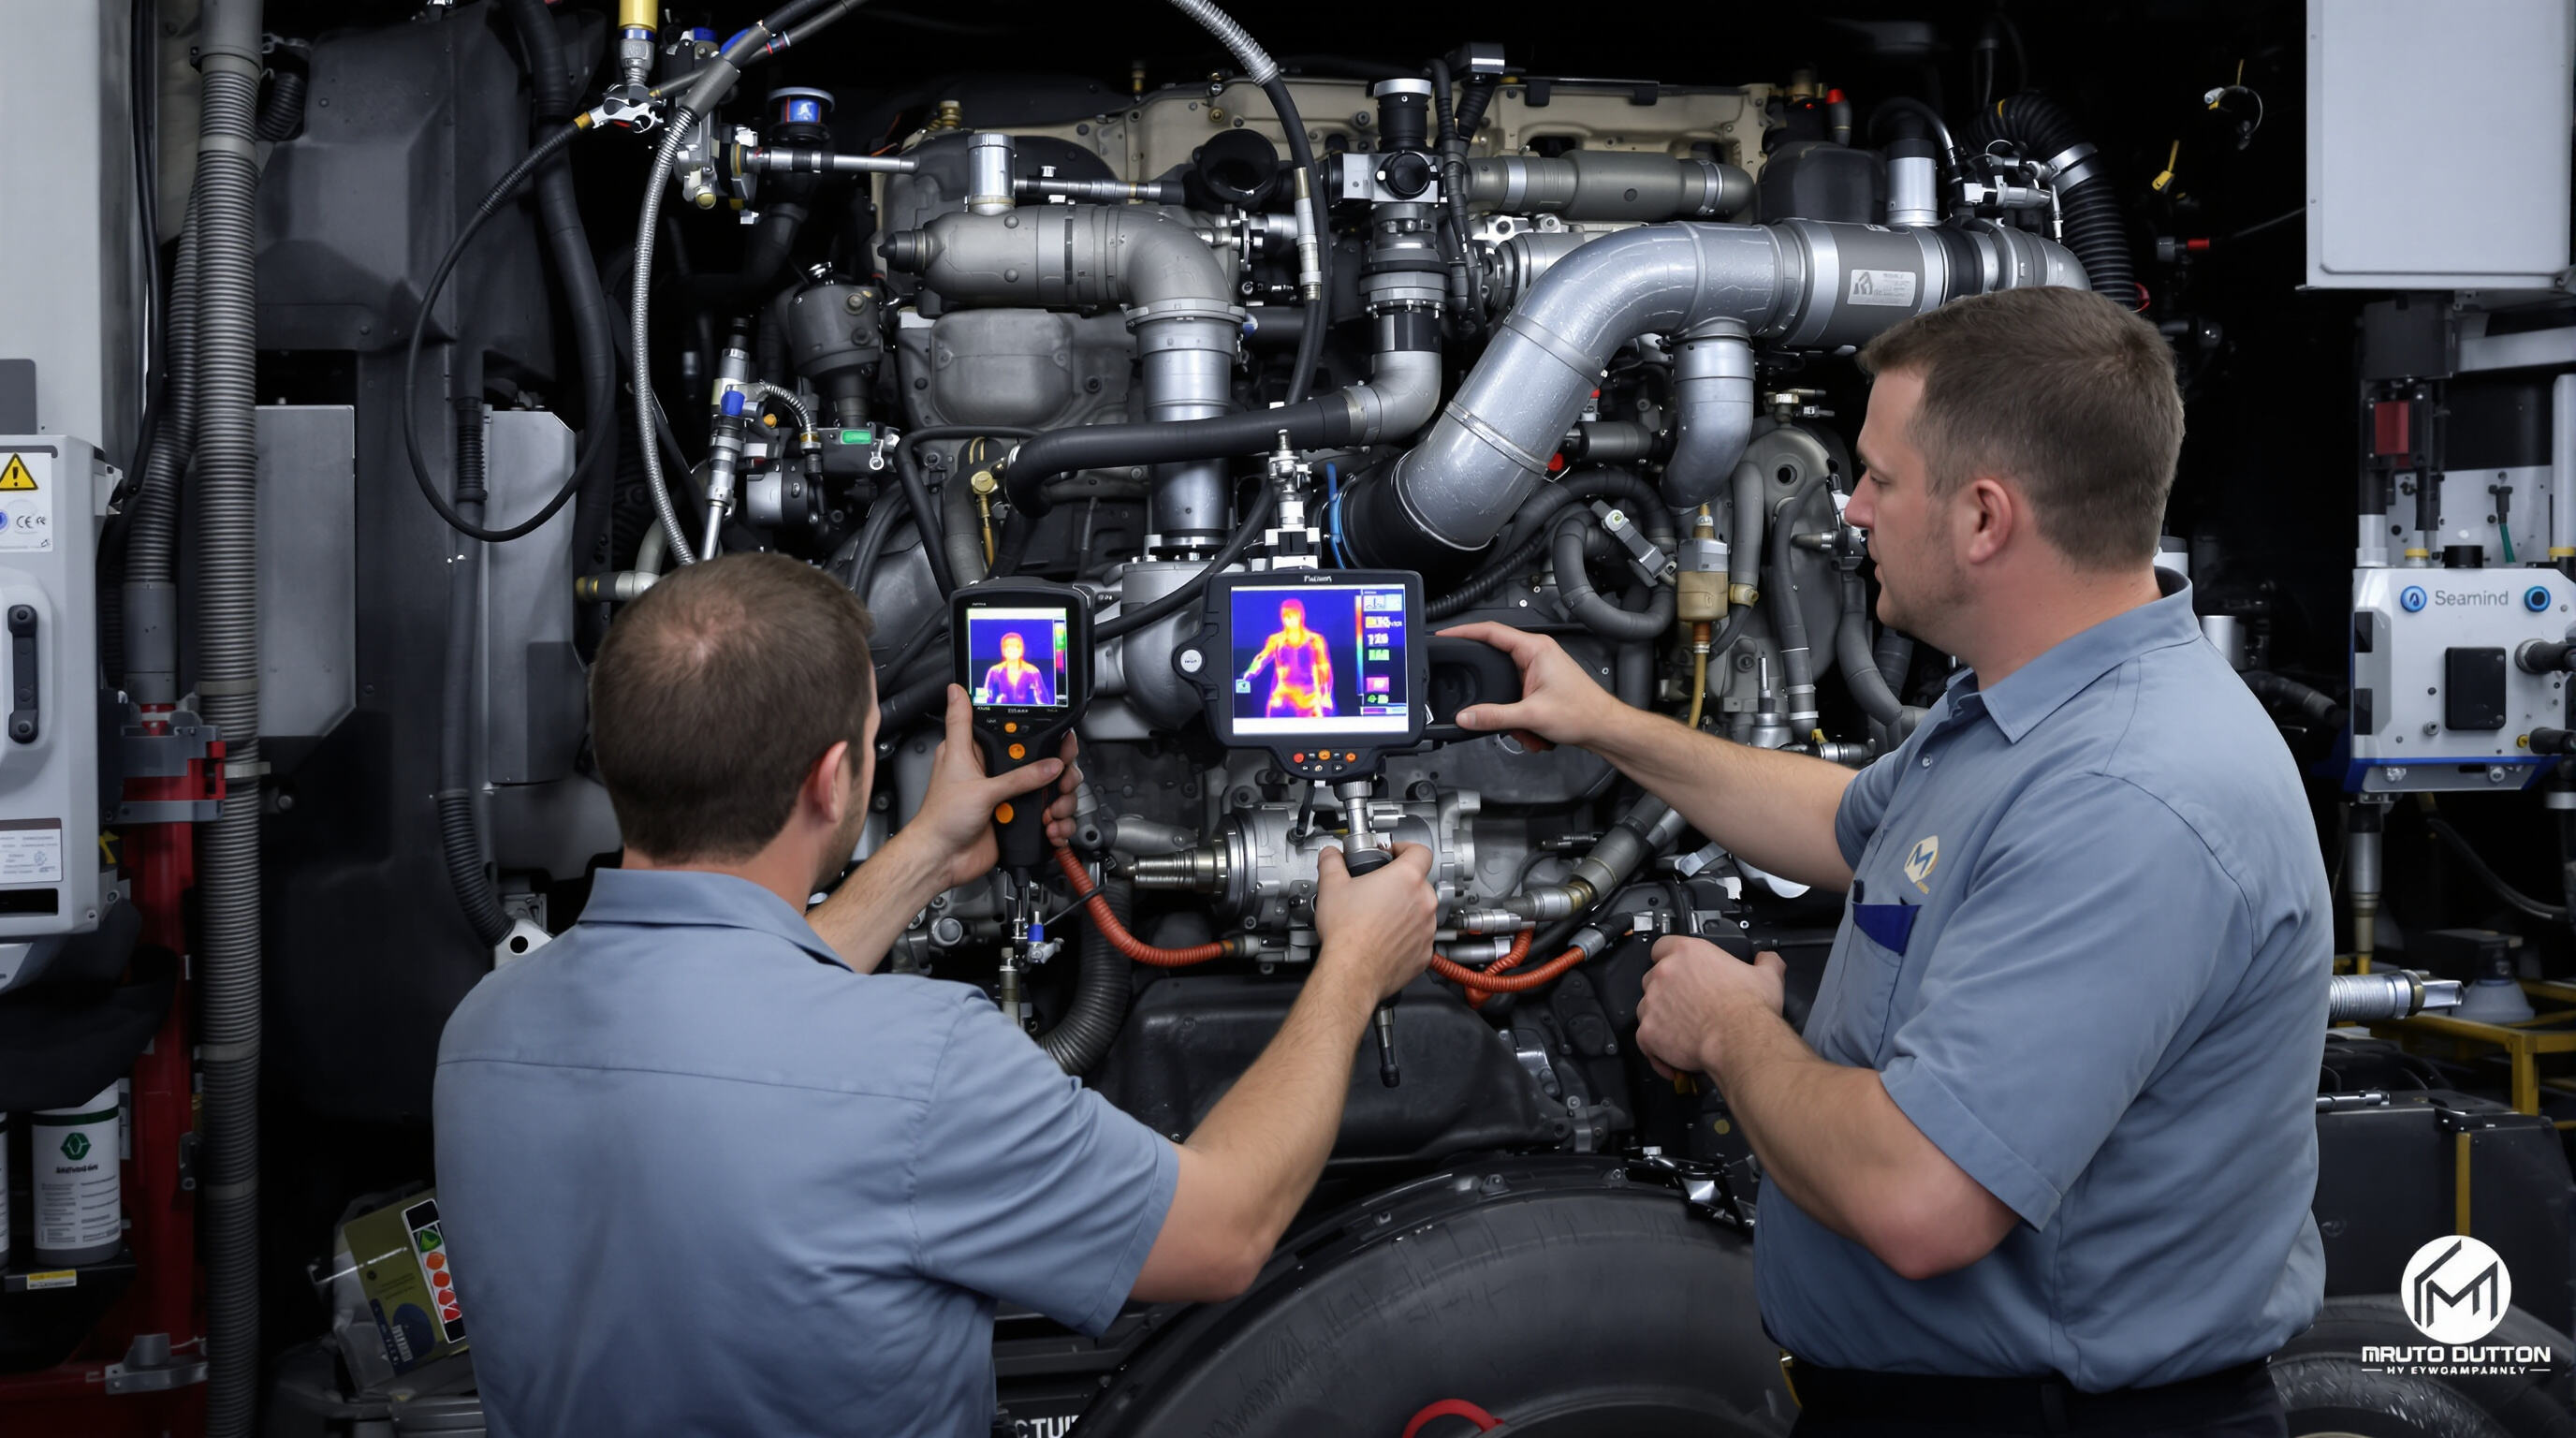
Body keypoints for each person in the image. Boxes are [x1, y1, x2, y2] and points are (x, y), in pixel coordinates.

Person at [1444, 286, 2328, 1437]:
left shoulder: (2127, 794)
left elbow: (1919, 1201)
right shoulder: (2027, 710)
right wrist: (1605, 726)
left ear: (1983, 519)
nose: (1849, 510)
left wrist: (1727, 1030)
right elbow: (1850, 827)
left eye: (1877, 478)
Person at [434, 554, 1437, 1438]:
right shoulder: (922, 1067)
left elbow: (734, 1016)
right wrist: (1354, 966)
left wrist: (921, 854)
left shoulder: (487, 1030)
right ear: (836, 781)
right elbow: (1223, 1236)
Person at [1243, 596, 1335, 718]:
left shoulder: (1315, 640)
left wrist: (1326, 695)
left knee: (1314, 730)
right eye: (1285, 615)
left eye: (1292, 615)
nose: (1289, 619)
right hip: (1284, 694)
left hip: (1309, 695)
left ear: (1301, 615)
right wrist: (1252, 670)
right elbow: (1262, 657)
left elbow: (1324, 668)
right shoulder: (1276, 640)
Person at [977, 626, 1052, 706]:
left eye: (1016, 646)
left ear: (1021, 650)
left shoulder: (1033, 671)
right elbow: (984, 701)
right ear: (1003, 650)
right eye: (1008, 646)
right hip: (1000, 713)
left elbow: (1043, 702)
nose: (1012, 649)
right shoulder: (994, 671)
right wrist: (997, 703)